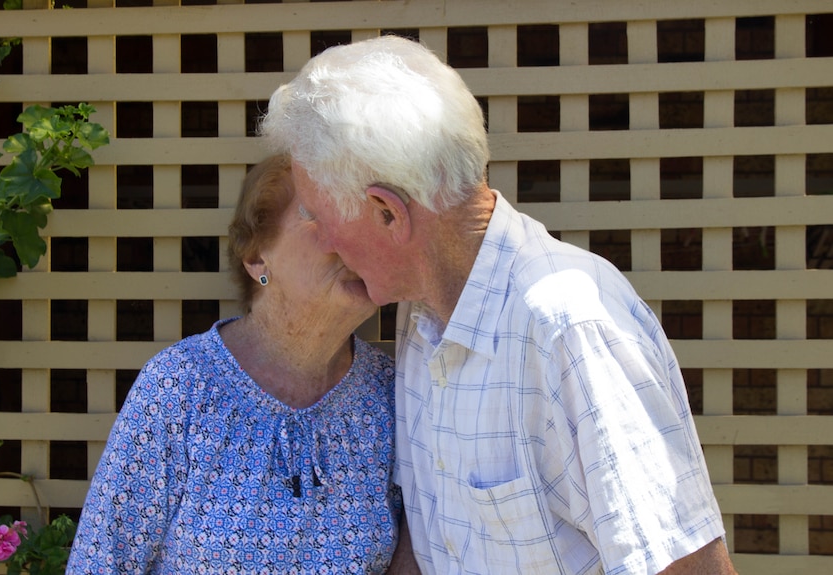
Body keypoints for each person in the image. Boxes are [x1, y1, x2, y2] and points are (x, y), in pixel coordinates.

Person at [261, 35, 739, 575]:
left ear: (387, 213)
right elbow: (435, 544)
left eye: (320, 217)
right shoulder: (420, 316)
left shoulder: (570, 327)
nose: (323, 240)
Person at [67, 154, 416, 574]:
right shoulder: (179, 387)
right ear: (256, 258)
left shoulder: (392, 394)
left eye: (364, 223)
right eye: (320, 217)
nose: (352, 240)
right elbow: (102, 560)